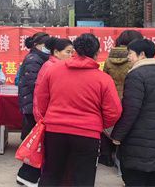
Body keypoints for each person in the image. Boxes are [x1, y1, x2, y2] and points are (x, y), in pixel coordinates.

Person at [36, 33, 122, 186]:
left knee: (52, 174)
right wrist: (98, 124)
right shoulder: (103, 79)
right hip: (87, 134)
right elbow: (114, 111)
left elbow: (41, 99)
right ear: (96, 53)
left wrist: (49, 118)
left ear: (75, 50)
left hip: (55, 130)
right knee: (83, 178)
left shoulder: (53, 70)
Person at [111, 38, 155, 187]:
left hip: (139, 140)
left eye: (130, 53)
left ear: (142, 54)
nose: (128, 57)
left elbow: (131, 110)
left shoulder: (136, 76)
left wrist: (118, 135)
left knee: (137, 179)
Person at [98, 29, 142, 168]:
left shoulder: (108, 60)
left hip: (112, 98)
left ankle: (107, 156)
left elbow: (105, 80)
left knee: (108, 126)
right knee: (127, 126)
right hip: (130, 97)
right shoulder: (135, 59)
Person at [16, 32, 51, 186]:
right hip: (32, 106)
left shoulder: (39, 58)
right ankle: (26, 176)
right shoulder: (34, 59)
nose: (48, 49)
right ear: (37, 45)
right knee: (35, 142)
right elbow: (35, 84)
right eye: (46, 46)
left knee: (34, 141)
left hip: (32, 104)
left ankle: (27, 175)